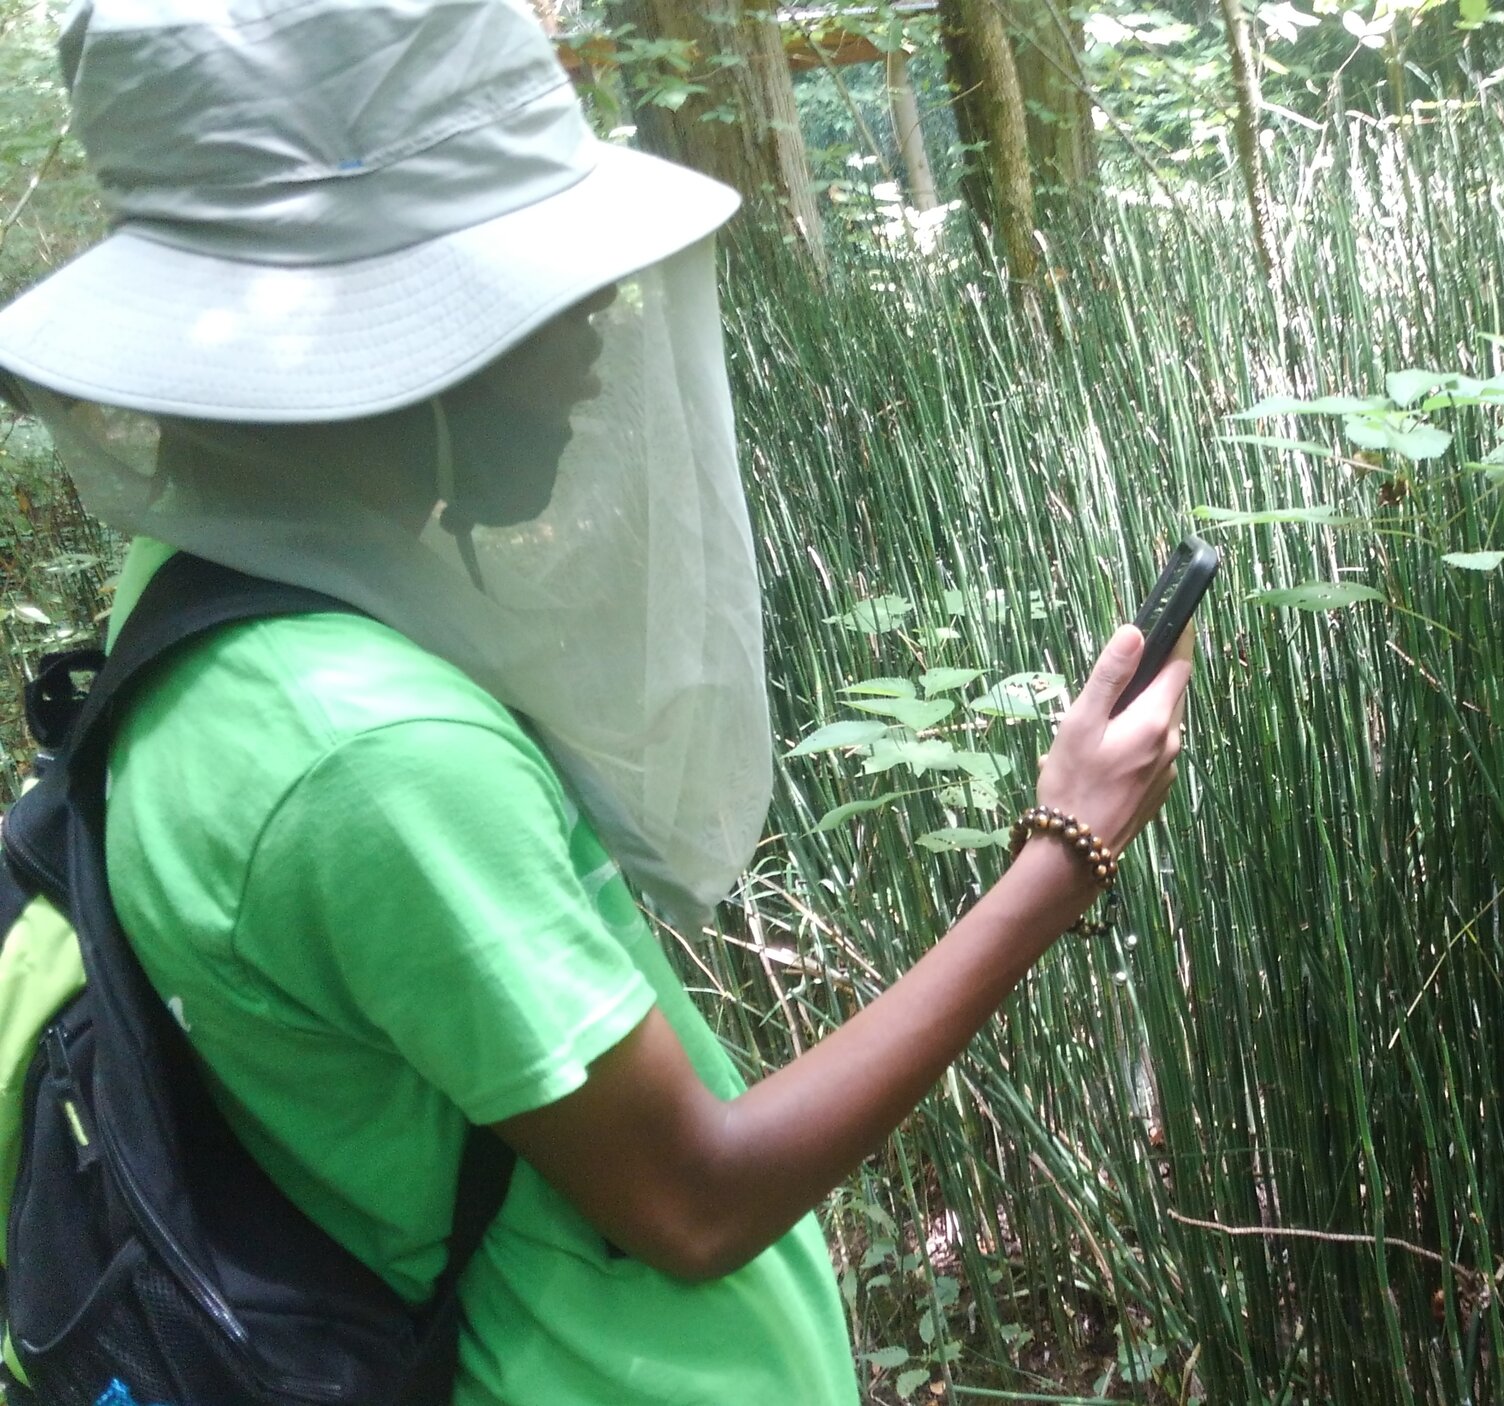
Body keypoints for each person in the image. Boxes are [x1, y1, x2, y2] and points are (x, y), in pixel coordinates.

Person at [0, 0, 1190, 1401]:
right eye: (534, 299)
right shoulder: (368, 753)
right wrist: (1064, 853)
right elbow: (695, 1199)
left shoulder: (202, 605)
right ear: (362, 348)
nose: (593, 342)